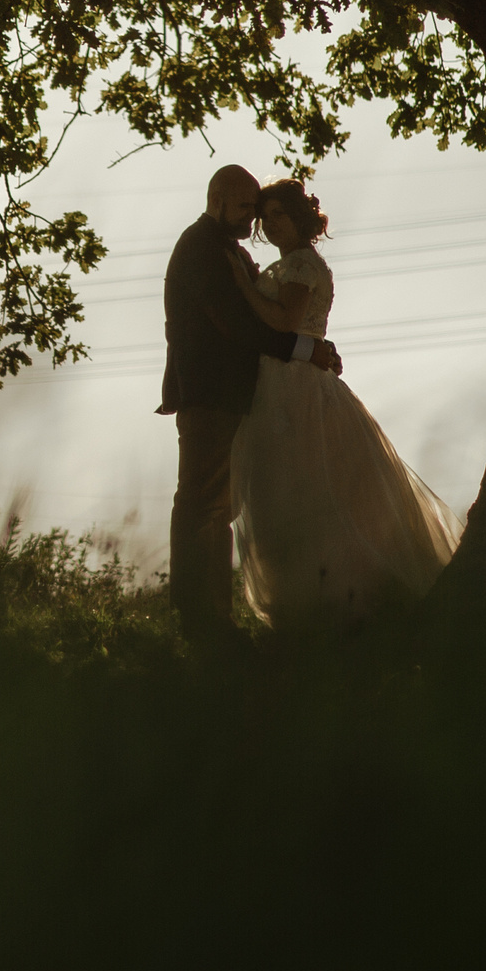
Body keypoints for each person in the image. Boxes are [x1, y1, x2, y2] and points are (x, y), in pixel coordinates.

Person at [225, 180, 462, 628]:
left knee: (313, 488)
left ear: (300, 219)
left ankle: (337, 601)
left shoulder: (301, 265)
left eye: (279, 214)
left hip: (296, 387)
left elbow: (284, 320)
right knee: (284, 491)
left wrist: (241, 284)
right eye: (266, 216)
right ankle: (306, 601)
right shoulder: (289, 265)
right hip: (280, 380)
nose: (270, 223)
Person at [159, 166, 342, 645]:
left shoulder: (230, 251)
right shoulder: (201, 248)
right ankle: (201, 621)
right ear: (218, 200)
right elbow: (236, 326)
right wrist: (307, 351)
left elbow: (271, 316)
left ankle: (210, 618)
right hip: (208, 393)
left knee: (214, 507)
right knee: (203, 505)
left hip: (234, 396)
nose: (253, 219)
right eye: (245, 208)